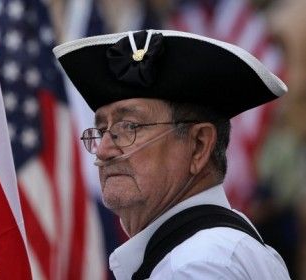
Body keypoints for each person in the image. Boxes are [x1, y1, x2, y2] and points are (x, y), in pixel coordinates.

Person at [53, 29, 291, 279]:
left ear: (199, 145)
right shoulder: (214, 254)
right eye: (102, 130)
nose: (103, 150)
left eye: (130, 127)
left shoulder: (195, 266)